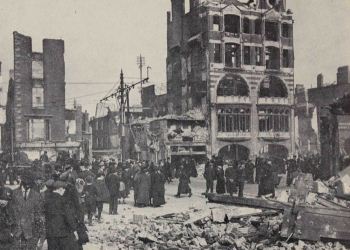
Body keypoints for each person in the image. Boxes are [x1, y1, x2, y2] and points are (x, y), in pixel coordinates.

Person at [12, 170, 45, 250]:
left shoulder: (37, 196)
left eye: (29, 183)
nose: (28, 185)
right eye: (26, 183)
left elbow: (39, 214)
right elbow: (11, 212)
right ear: (22, 182)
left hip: (31, 232)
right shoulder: (14, 193)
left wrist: (39, 233)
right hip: (17, 231)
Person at [44, 180, 80, 250]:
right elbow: (68, 216)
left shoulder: (46, 199)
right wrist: (74, 229)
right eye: (64, 190)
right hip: (62, 233)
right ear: (60, 189)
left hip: (50, 232)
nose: (64, 192)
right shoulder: (63, 200)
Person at [0, 178, 16, 250]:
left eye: (5, 200)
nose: (3, 202)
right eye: (1, 200)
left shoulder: (12, 209)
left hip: (8, 238)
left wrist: (12, 234)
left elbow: (15, 222)